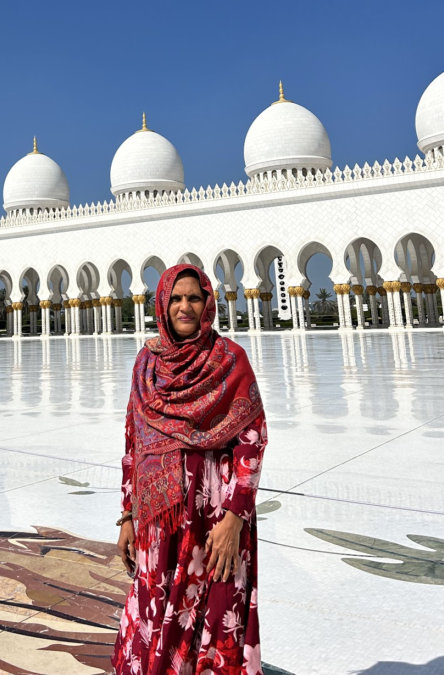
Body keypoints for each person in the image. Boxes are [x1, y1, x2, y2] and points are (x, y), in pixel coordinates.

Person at [112, 264, 267, 675]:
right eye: (176, 298)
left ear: (207, 304)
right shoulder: (146, 364)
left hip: (214, 517)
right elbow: (133, 443)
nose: (185, 307)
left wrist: (235, 518)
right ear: (162, 304)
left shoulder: (230, 360)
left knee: (213, 610)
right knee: (156, 606)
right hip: (157, 519)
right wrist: (128, 514)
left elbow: (252, 441)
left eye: (194, 298)